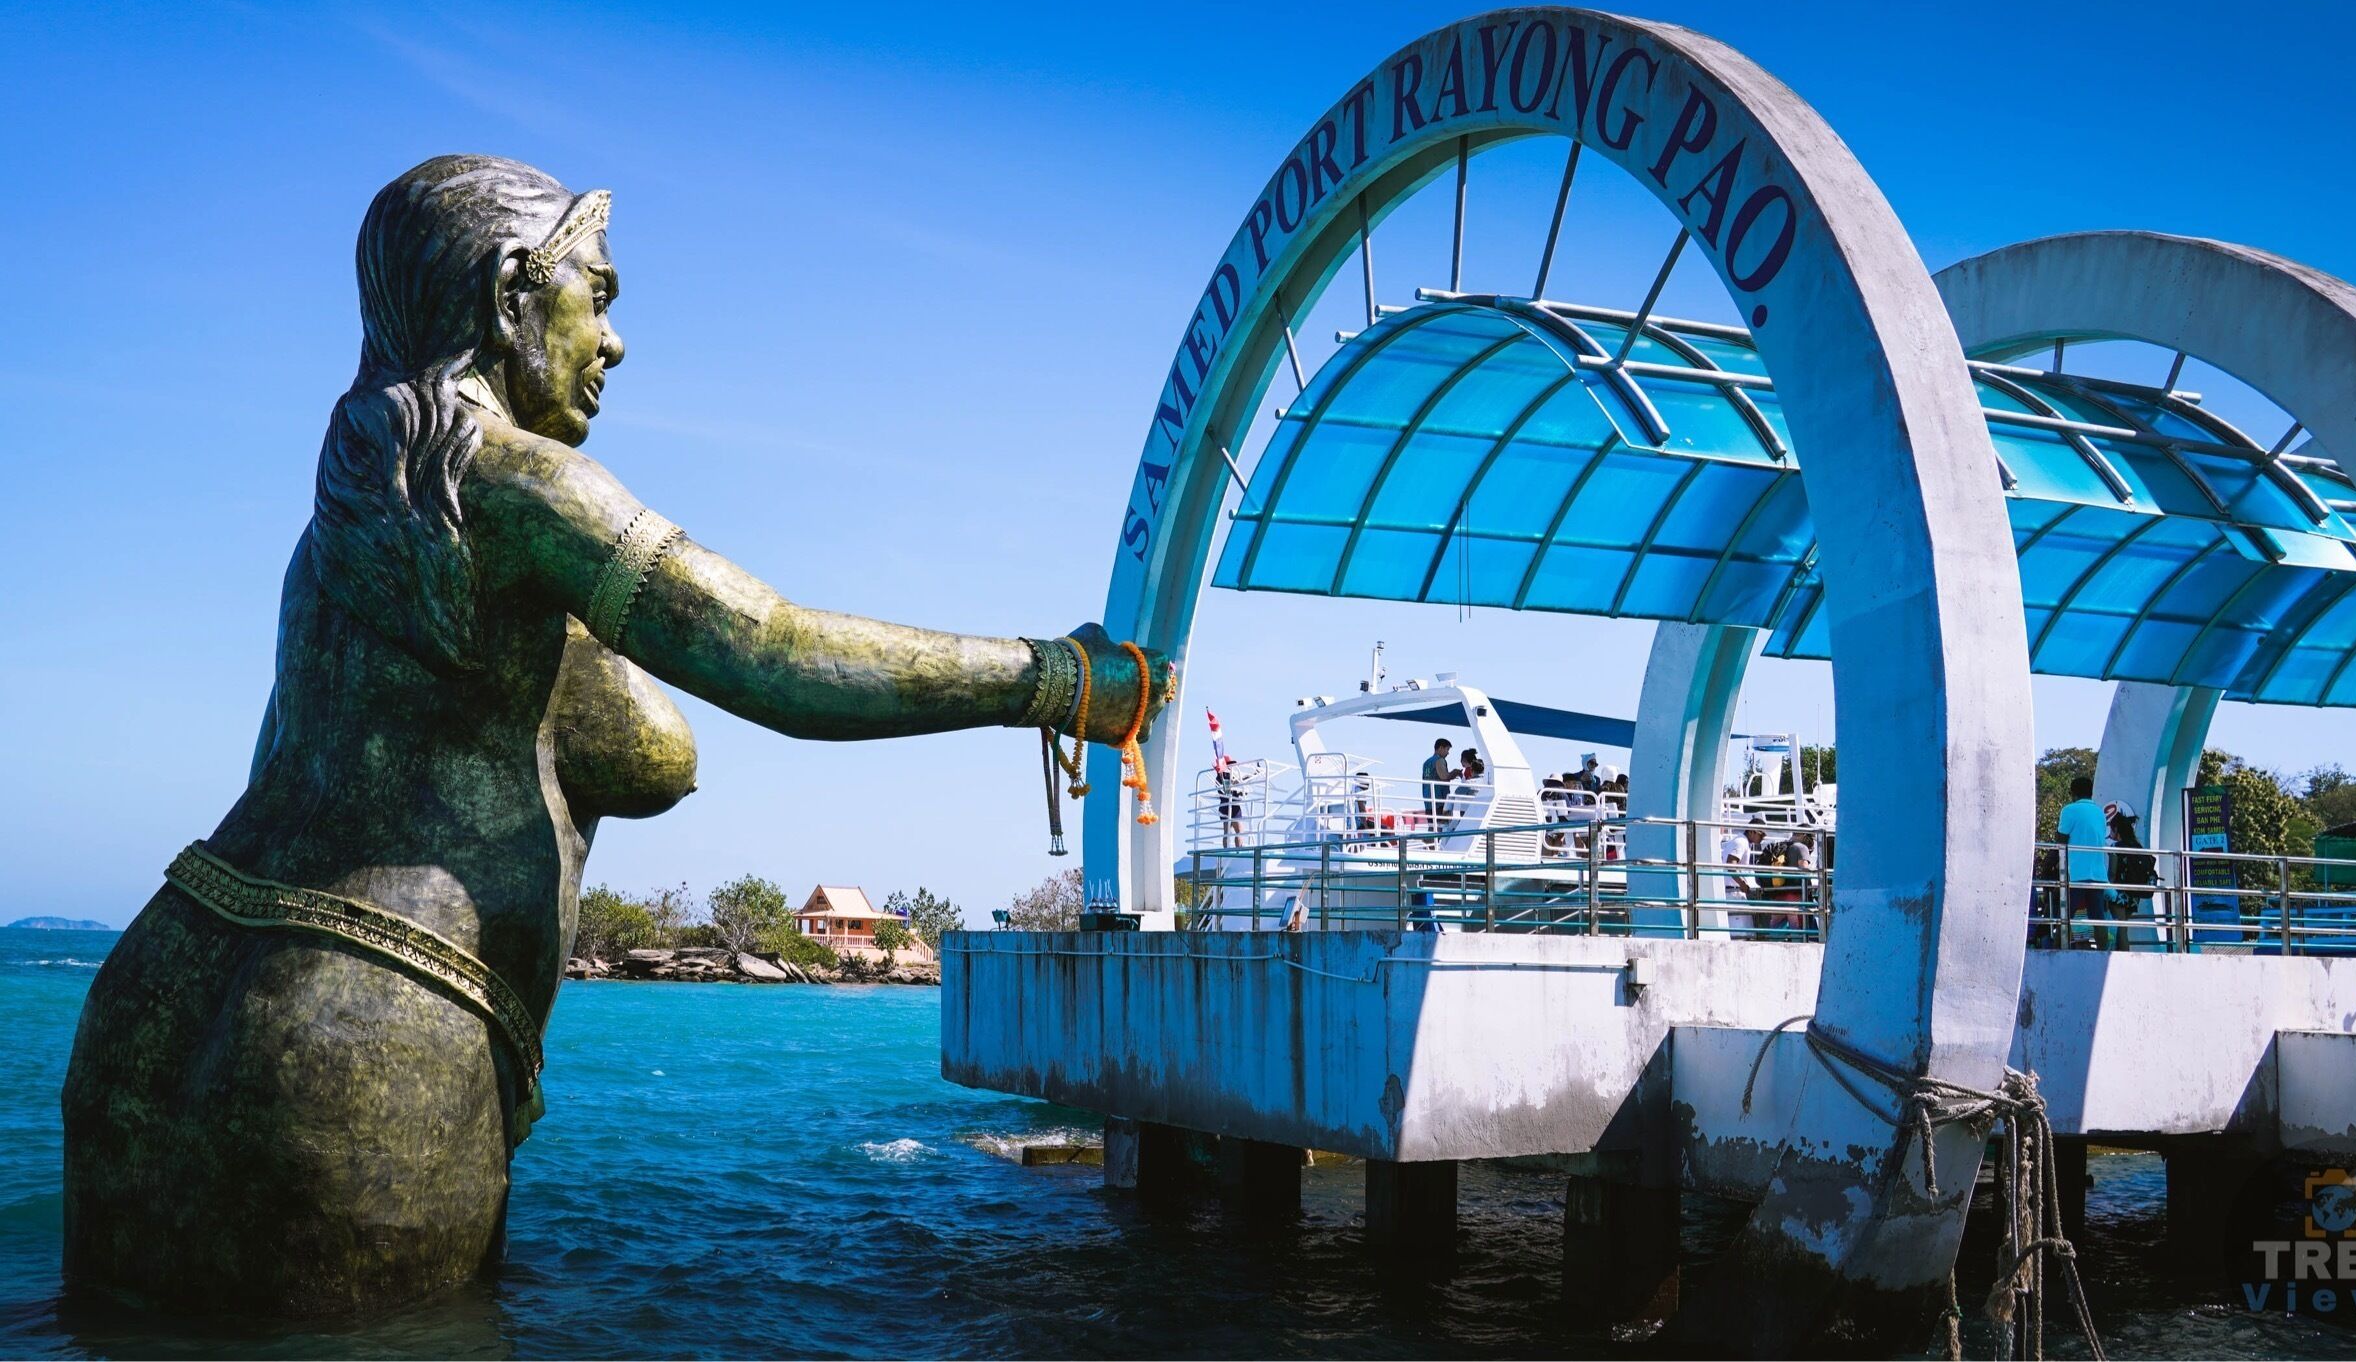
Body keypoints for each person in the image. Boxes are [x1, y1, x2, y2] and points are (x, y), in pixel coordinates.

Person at [59, 157, 1173, 1317]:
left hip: (161, 987)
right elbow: (775, 651)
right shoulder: (522, 485)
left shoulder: (358, 513)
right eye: (600, 292)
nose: (618, 340)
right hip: (363, 1026)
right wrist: (1060, 678)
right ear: (509, 297)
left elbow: (636, 749)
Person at [2056, 775, 2111, 949]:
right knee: (2098, 918)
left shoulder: (2069, 810)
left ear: (2073, 793)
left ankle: (2057, 951)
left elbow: (2061, 839)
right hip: (2098, 874)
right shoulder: (2100, 813)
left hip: (2077, 874)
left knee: (2065, 916)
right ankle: (2103, 952)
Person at [2105, 801, 2158, 951]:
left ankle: (2122, 960)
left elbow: (2112, 873)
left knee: (2120, 930)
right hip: (2134, 894)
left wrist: (2105, 890)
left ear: (2116, 828)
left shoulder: (2116, 848)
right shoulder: (2137, 847)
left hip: (2119, 894)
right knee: (2124, 929)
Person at [1421, 738, 1454, 819]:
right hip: (1439, 801)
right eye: (1447, 749)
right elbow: (1444, 777)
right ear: (1441, 748)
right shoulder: (1440, 760)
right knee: (1441, 826)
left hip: (1428, 801)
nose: (1448, 753)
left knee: (1433, 827)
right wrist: (1455, 773)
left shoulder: (1426, 762)